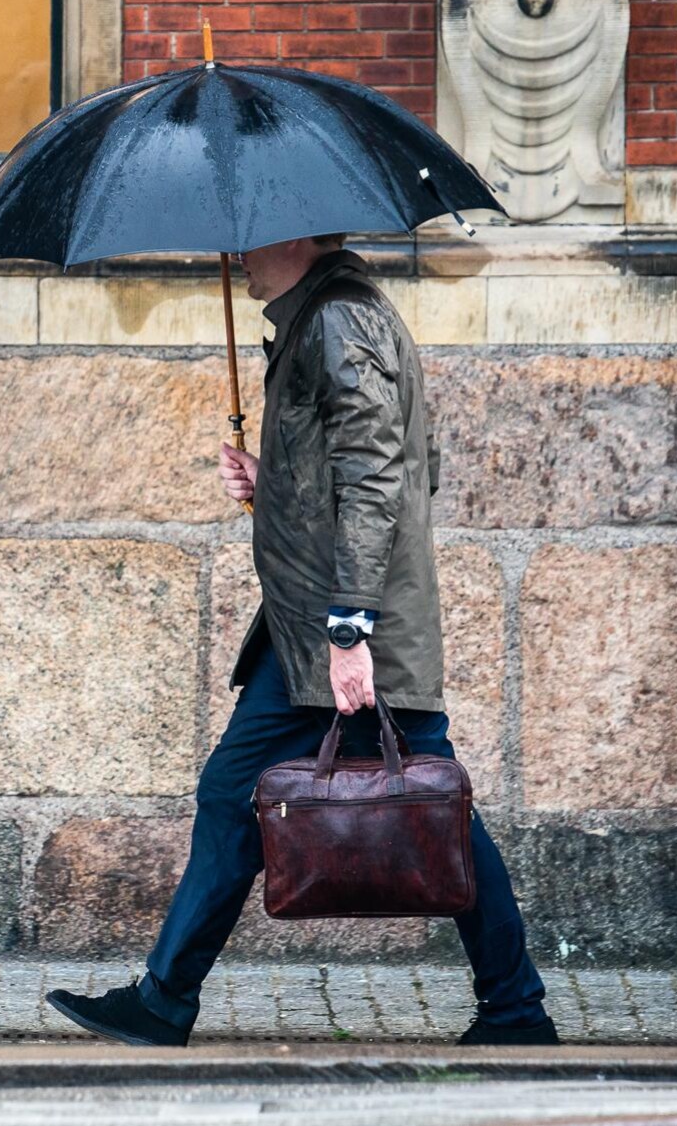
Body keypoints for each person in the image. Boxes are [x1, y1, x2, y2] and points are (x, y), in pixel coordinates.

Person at [45, 234, 557, 1048]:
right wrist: (271, 479)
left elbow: (382, 474)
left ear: (299, 237)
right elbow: (369, 469)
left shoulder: (340, 324)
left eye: (251, 240)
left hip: (339, 636)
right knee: (424, 810)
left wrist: (351, 627)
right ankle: (514, 1009)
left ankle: (167, 1001)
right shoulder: (326, 318)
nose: (237, 253)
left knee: (423, 811)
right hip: (318, 634)